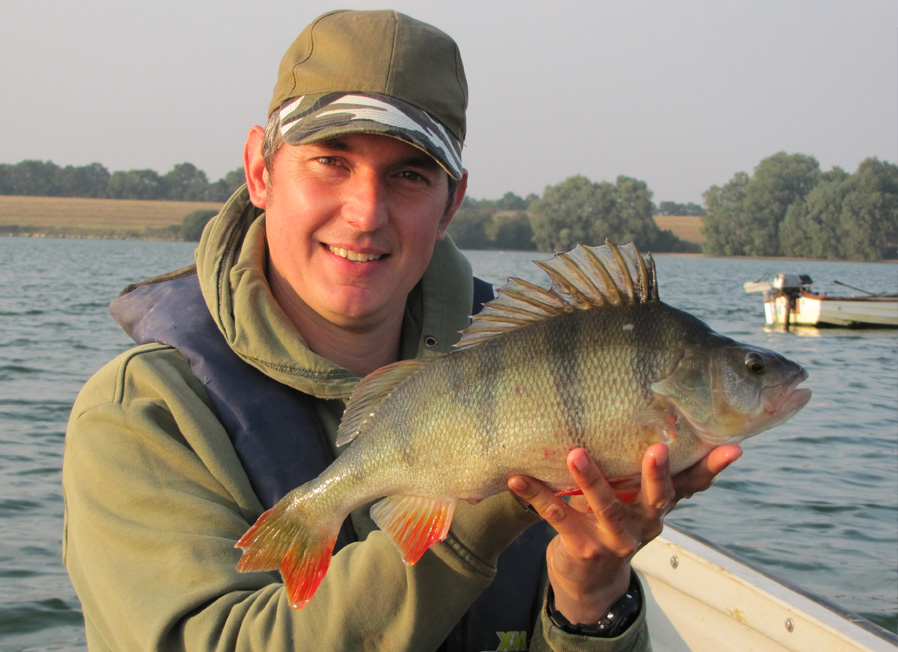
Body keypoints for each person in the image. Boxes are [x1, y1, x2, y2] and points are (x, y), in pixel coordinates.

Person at [62, 9, 741, 651]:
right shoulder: (143, 414)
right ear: (261, 170)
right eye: (331, 159)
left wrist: (590, 595)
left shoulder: (517, 355)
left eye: (409, 174)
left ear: (451, 206)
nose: (364, 213)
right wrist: (479, 521)